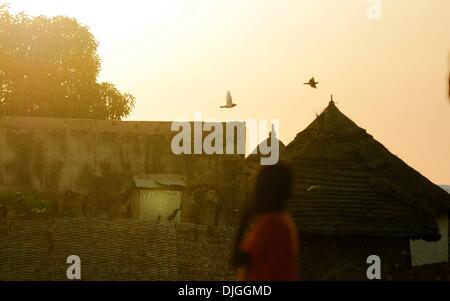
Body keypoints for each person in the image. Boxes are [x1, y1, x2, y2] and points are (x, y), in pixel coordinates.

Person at [231, 163, 299, 281]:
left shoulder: (271, 225)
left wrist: (244, 218)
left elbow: (236, 260)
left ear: (266, 192)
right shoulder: (284, 221)